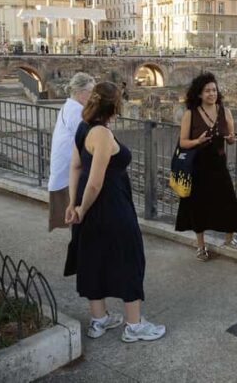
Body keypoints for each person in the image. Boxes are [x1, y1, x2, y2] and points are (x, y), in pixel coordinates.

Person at [64, 82, 166, 342]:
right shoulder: (103, 134)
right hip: (111, 206)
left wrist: (73, 205)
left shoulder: (82, 128)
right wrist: (82, 209)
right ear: (114, 107)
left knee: (92, 259)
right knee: (130, 258)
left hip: (85, 204)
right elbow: (96, 182)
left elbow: (75, 167)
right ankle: (134, 325)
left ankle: (100, 320)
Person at [175, 72, 237, 260]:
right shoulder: (190, 113)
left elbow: (229, 139)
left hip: (218, 165)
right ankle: (201, 245)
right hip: (198, 166)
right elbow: (183, 143)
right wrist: (197, 141)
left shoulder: (226, 112)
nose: (212, 94)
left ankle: (229, 239)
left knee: (229, 201)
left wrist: (231, 139)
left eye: (214, 90)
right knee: (199, 205)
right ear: (199, 94)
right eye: (207, 91)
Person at [47, 73, 95, 231]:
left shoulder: (70, 107)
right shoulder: (76, 112)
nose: (93, 96)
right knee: (77, 216)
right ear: (81, 93)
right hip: (69, 173)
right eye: (91, 91)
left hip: (65, 170)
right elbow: (89, 140)